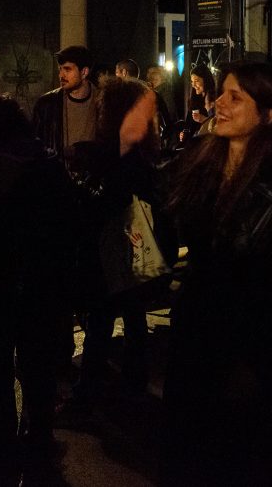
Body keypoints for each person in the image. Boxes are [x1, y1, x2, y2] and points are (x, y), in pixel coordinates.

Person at [162, 62, 272, 485]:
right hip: (196, 348)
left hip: (251, 363)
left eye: (236, 97)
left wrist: (256, 362)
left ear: (267, 115)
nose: (220, 103)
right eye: (222, 93)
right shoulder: (200, 165)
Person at [0, 94, 78, 485]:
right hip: (41, 283)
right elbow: (69, 224)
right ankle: (39, 435)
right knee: (38, 363)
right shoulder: (49, 164)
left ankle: (2, 439)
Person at [71, 77, 176, 408]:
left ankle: (99, 388)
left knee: (110, 318)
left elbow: (108, 204)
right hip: (126, 250)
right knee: (123, 317)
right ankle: (122, 384)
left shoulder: (120, 158)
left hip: (120, 250)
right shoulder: (132, 157)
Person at [32, 45, 97, 166]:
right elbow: (35, 145)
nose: (61, 75)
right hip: (57, 173)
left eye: (67, 70)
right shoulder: (46, 104)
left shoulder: (103, 102)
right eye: (60, 69)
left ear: (84, 72)